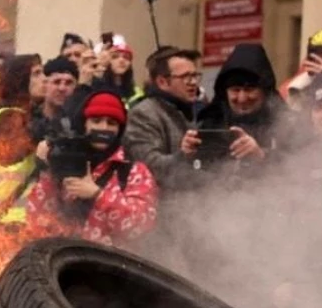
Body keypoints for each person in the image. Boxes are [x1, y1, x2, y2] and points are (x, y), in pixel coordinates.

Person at [28, 91, 158, 246]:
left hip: (112, 264)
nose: (104, 128)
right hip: (65, 260)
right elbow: (37, 218)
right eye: (96, 121)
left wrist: (97, 195)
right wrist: (46, 168)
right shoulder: (64, 161)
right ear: (85, 124)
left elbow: (140, 225)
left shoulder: (134, 172)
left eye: (111, 123)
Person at [193, 43, 300, 179]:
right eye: (235, 90)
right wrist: (186, 155)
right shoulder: (211, 122)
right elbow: (192, 177)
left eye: (249, 90)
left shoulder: (288, 123)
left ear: (265, 91)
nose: (242, 98)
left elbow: (302, 169)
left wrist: (262, 156)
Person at [0, 55, 43, 225]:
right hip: (8, 222)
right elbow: (18, 152)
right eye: (37, 74)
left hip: (10, 220)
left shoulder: (20, 114)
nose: (45, 79)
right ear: (21, 79)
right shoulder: (11, 118)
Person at [123, 46, 203, 192]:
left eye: (195, 76)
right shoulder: (143, 114)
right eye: (185, 77)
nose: (193, 82)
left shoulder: (198, 110)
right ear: (162, 82)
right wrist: (183, 155)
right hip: (163, 208)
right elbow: (149, 167)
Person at [99, 35, 143, 104]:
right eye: (115, 57)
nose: (121, 60)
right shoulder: (98, 89)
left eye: (126, 57)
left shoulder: (137, 93)